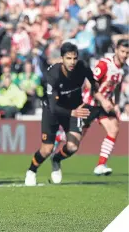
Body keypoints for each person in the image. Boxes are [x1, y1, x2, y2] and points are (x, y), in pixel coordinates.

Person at [24, 42, 112, 186]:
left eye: (74, 58)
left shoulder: (82, 67)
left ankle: (56, 159)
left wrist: (99, 99)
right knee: (46, 149)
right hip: (52, 111)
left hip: (74, 108)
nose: (72, 62)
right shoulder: (52, 75)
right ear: (62, 59)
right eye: (68, 58)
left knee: (72, 147)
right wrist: (73, 112)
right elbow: (53, 107)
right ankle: (32, 170)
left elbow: (94, 85)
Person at [81, 39, 129, 175]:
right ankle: (58, 138)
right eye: (122, 51)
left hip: (104, 104)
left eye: (127, 53)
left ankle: (101, 165)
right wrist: (102, 100)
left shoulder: (124, 68)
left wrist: (118, 104)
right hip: (90, 102)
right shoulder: (104, 64)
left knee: (114, 128)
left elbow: (118, 86)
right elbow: (90, 84)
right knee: (74, 142)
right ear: (116, 50)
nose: (125, 55)